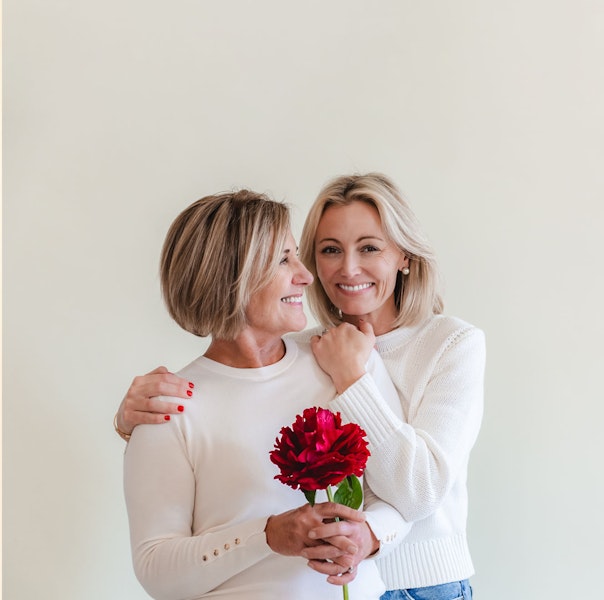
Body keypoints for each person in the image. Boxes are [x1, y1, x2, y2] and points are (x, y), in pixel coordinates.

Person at [116, 174, 485, 600]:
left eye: (369, 247)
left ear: (404, 255)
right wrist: (132, 423)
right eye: (326, 251)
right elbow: (158, 568)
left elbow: (409, 495)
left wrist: (353, 377)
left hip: (425, 582)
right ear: (233, 277)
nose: (320, 274)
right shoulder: (323, 351)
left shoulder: (399, 354)